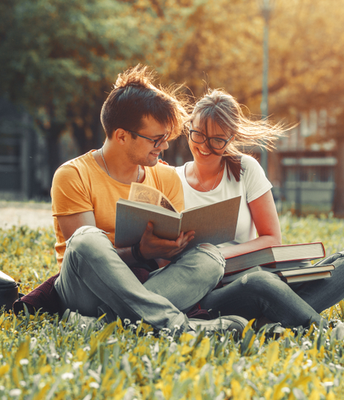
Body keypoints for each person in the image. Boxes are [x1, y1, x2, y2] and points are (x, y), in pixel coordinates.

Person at [50, 66, 246, 334]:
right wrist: (140, 253)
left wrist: (174, 247)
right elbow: (86, 262)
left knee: (210, 258)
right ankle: (179, 327)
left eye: (165, 138)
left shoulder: (165, 177)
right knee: (86, 238)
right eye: (156, 139)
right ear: (121, 136)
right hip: (85, 292)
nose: (164, 146)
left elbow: (169, 269)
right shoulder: (73, 175)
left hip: (146, 286)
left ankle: (101, 326)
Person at [175, 89, 344, 329]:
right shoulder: (172, 179)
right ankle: (324, 329)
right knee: (259, 284)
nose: (205, 146)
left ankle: (270, 320)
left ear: (231, 137)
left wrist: (218, 255)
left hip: (260, 273)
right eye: (198, 135)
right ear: (188, 127)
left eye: (217, 139)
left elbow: (271, 238)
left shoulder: (245, 169)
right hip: (213, 292)